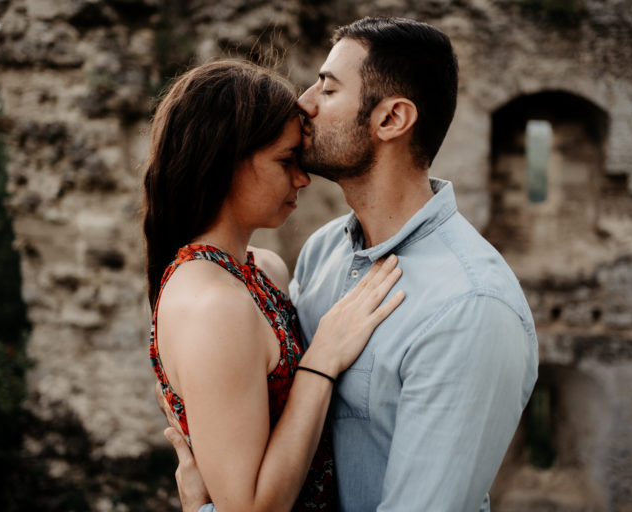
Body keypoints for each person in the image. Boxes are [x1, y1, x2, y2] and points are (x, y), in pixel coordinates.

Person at [167, 16, 539, 512]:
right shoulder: (322, 252)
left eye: (328, 89)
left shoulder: (470, 307)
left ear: (391, 119)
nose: (304, 102)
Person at [144, 60, 406, 512]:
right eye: (286, 161)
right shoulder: (213, 305)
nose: (302, 178)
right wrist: (321, 361)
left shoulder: (264, 269)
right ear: (223, 162)